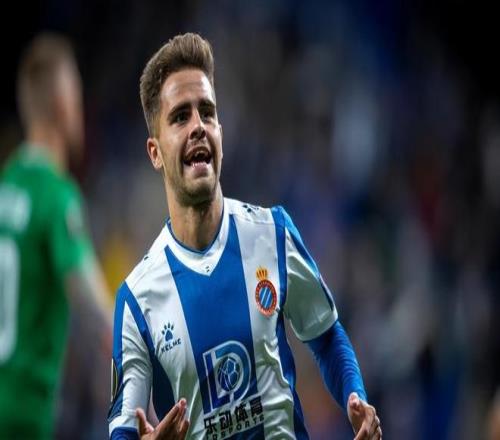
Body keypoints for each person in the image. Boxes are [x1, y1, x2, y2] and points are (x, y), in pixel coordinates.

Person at [108, 33, 382, 440]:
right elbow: (124, 428)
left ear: (220, 131)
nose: (198, 126)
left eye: (207, 112)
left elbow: (325, 335)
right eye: (180, 117)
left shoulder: (273, 233)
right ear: (155, 152)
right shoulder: (137, 300)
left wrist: (354, 396)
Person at [0, 33, 111, 439]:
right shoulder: (57, 195)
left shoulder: (7, 183)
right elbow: (88, 298)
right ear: (64, 103)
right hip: (25, 413)